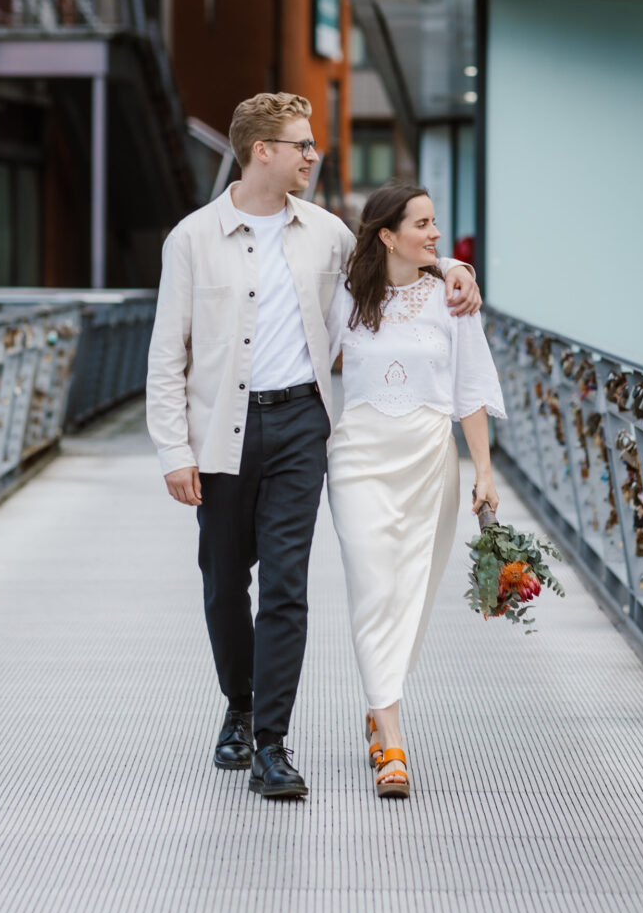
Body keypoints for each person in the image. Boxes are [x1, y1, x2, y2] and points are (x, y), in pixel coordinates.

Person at [145, 94, 480, 801]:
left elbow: (395, 254)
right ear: (260, 151)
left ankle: (272, 743)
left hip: (303, 423)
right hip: (223, 434)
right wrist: (174, 450)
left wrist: (451, 265)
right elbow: (165, 355)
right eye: (300, 144)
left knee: (288, 588)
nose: (311, 155)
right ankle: (239, 704)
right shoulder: (193, 239)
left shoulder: (326, 233)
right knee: (223, 583)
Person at [327, 182, 506, 799]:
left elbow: (471, 390)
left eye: (435, 222)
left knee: (413, 592)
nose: (435, 234)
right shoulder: (344, 296)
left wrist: (483, 470)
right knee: (374, 587)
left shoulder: (451, 300)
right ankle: (395, 744)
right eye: (423, 224)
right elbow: (308, 363)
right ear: (387, 235)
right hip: (357, 458)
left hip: (430, 458)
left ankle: (379, 708)